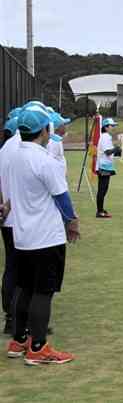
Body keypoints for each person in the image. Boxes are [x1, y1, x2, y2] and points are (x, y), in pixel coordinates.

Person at [4, 105, 79, 365]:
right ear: (44, 131)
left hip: (22, 235)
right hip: (46, 236)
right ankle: (38, 347)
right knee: (43, 292)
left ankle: (18, 340)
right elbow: (62, 197)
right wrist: (73, 222)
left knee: (24, 288)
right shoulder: (44, 160)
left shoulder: (14, 156)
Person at [0, 113, 21, 335]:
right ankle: (15, 319)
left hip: (7, 219)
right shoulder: (19, 150)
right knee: (21, 271)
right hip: (19, 219)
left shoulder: (5, 149)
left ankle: (11, 316)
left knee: (11, 268)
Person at [95, 117, 120, 219]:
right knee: (102, 189)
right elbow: (107, 151)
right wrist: (116, 148)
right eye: (111, 126)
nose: (113, 127)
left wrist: (117, 150)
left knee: (104, 189)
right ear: (105, 127)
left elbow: (110, 152)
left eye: (114, 126)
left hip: (106, 166)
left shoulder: (107, 136)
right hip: (103, 166)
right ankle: (100, 212)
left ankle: (101, 209)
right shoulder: (105, 137)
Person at [46, 113, 70, 178]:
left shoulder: (57, 140)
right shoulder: (54, 142)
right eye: (63, 124)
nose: (65, 126)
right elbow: (50, 162)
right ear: (57, 127)